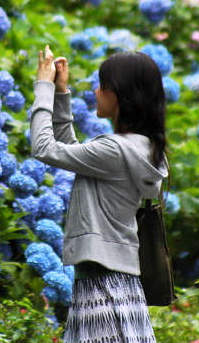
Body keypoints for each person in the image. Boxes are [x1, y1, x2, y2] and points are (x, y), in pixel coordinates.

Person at [30, 45, 168, 343]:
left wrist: (42, 87)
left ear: (118, 95)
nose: (95, 91)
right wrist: (60, 94)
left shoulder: (115, 150)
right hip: (119, 284)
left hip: (102, 287)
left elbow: (44, 148)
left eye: (102, 85)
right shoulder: (139, 148)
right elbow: (73, 154)